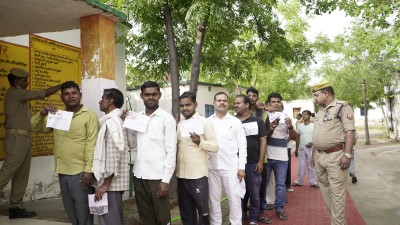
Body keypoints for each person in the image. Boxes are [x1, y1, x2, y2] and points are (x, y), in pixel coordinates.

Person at [32, 81, 99, 225]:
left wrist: (88, 170)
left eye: (74, 93)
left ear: (80, 95)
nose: (71, 96)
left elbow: (91, 144)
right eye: (66, 94)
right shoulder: (57, 115)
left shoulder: (89, 116)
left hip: (80, 172)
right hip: (62, 171)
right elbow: (34, 127)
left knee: (84, 214)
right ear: (62, 98)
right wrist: (42, 114)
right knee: (71, 212)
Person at [0, 68, 62, 219]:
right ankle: (16, 205)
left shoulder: (20, 98)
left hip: (25, 139)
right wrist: (62, 85)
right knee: (7, 172)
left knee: (22, 174)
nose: (26, 83)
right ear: (16, 82)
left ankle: (16, 206)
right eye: (23, 80)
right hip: (16, 139)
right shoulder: (15, 92)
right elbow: (43, 93)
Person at [127, 81, 177, 225]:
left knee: (162, 218)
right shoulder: (137, 117)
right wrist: (129, 125)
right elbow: (132, 145)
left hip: (158, 177)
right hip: (139, 174)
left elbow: (171, 151)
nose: (151, 97)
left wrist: (166, 180)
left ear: (159, 95)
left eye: (154, 94)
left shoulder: (167, 119)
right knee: (146, 217)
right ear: (141, 96)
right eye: (147, 94)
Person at [311, 81, 355, 225]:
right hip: (320, 156)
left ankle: (337, 223)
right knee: (325, 191)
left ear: (326, 93)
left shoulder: (342, 106)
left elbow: (350, 132)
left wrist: (347, 155)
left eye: (316, 95)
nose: (314, 98)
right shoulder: (320, 110)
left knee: (337, 194)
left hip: (336, 156)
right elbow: (316, 134)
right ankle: (338, 221)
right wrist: (313, 155)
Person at [176, 91, 218, 225]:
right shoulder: (180, 124)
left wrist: (200, 142)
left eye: (188, 105)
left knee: (203, 212)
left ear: (195, 104)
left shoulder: (204, 122)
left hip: (198, 176)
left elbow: (215, 146)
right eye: (182, 106)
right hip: (181, 176)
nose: (185, 108)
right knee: (186, 212)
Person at [92, 88, 132, 225]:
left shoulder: (112, 123)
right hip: (111, 182)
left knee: (109, 220)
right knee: (112, 218)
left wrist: (105, 184)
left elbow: (114, 155)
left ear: (110, 101)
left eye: (102, 98)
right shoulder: (114, 120)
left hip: (110, 184)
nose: (100, 101)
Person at [208, 92, 247, 225]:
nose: (222, 103)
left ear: (228, 103)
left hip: (231, 167)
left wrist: (241, 167)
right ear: (214, 102)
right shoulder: (207, 122)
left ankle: (236, 223)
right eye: (219, 100)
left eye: (224, 100)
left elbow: (243, 146)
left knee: (234, 199)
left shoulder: (235, 122)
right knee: (213, 200)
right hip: (211, 167)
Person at [235, 95, 269, 225]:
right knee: (238, 193)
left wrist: (260, 161)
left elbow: (263, 141)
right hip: (236, 164)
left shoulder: (258, 121)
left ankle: (254, 219)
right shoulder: (233, 121)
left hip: (253, 163)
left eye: (238, 103)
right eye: (235, 103)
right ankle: (240, 216)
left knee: (254, 193)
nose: (235, 105)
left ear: (247, 105)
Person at [265, 92, 297, 220]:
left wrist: (290, 127)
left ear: (281, 103)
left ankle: (279, 208)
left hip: (282, 157)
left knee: (280, 184)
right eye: (273, 101)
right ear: (269, 104)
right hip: (266, 155)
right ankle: (261, 208)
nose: (276, 104)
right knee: (264, 183)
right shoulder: (265, 115)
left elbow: (294, 137)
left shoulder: (286, 117)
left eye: (278, 101)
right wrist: (266, 109)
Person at [293, 110, 318, 188]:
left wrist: (312, 143)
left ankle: (313, 181)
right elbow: (297, 138)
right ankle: (299, 181)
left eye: (306, 114)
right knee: (301, 165)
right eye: (303, 114)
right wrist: (296, 149)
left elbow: (316, 137)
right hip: (301, 147)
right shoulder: (300, 126)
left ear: (310, 116)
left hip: (311, 148)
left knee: (311, 165)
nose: (303, 116)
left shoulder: (314, 125)